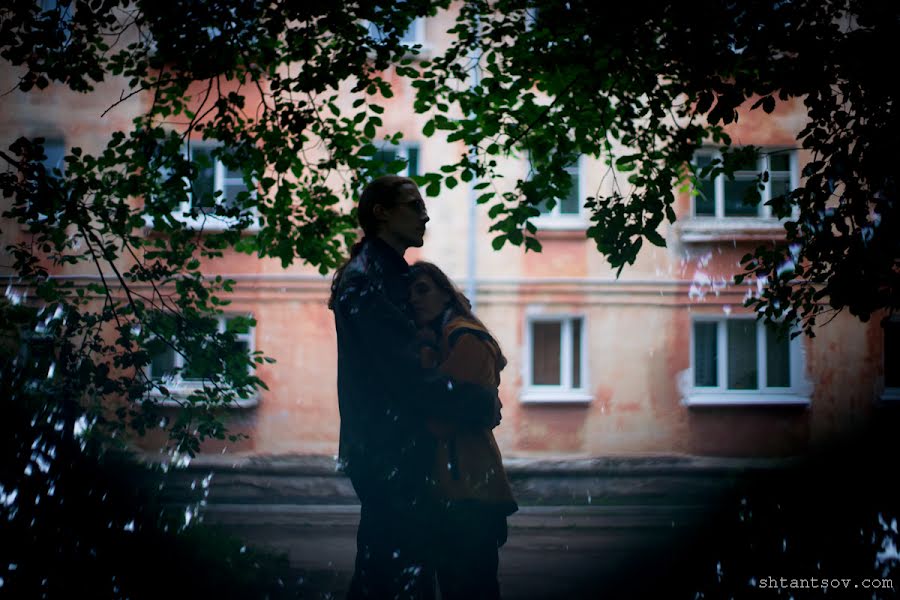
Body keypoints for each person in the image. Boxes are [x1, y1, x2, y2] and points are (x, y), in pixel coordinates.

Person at [328, 175, 500, 600]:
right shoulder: (368, 278)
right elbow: (404, 377)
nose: (425, 214)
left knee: (392, 573)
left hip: (391, 447)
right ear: (381, 213)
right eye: (413, 205)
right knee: (394, 577)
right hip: (389, 451)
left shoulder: (386, 274)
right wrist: (476, 404)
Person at [408, 261, 518, 600]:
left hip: (469, 489)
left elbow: (441, 418)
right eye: (408, 293)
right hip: (453, 489)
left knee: (470, 588)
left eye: (423, 289)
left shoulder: (465, 337)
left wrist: (424, 355)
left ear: (445, 293)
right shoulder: (442, 338)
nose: (414, 299)